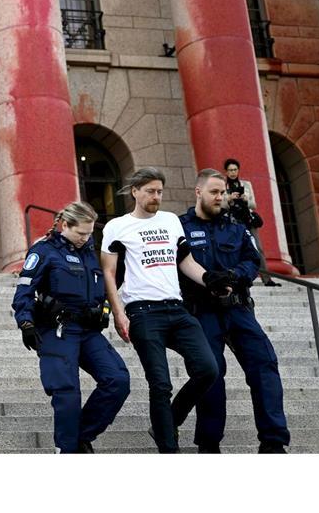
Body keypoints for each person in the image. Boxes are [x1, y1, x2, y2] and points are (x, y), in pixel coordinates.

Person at [100, 166, 222, 453]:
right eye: (151, 191)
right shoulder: (116, 226)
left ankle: (167, 421)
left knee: (208, 369)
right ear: (135, 192)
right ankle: (168, 450)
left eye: (160, 191)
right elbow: (108, 272)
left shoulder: (170, 221)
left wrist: (209, 279)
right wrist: (118, 313)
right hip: (142, 312)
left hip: (177, 310)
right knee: (160, 384)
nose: (157, 196)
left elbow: (186, 261)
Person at [179, 169, 290, 453]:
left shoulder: (236, 227)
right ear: (198, 192)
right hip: (201, 311)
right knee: (211, 374)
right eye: (215, 192)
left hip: (238, 308)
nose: (221, 197)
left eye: (223, 192)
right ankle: (209, 442)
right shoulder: (179, 227)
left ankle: (273, 441)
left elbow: (252, 261)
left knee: (264, 366)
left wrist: (232, 276)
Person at [12, 201, 130, 453]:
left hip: (87, 331)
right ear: (65, 225)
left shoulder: (89, 251)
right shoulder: (43, 251)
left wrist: (104, 311)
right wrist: (25, 322)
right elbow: (24, 290)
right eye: (81, 233)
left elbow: (102, 290)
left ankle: (81, 436)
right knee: (67, 393)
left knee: (117, 379)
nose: (86, 239)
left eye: (90, 233)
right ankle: (66, 450)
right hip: (57, 330)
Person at [223, 157, 278, 286]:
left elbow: (254, 204)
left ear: (238, 170)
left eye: (235, 169)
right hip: (232, 221)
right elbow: (220, 205)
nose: (233, 172)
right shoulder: (223, 186)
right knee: (234, 249)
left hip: (247, 219)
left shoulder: (246, 184)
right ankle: (238, 276)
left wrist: (246, 200)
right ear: (226, 172)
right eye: (230, 170)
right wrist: (230, 199)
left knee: (258, 248)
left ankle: (267, 278)